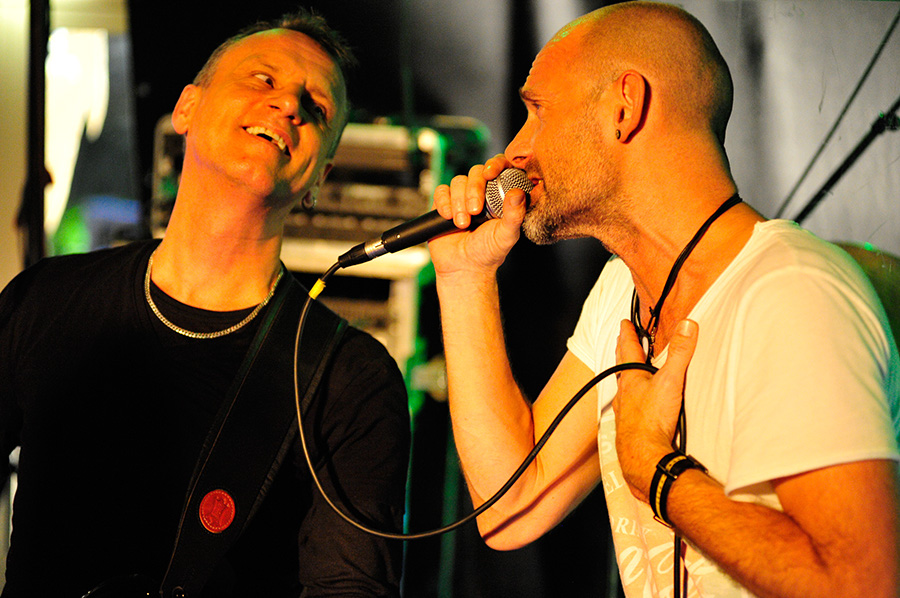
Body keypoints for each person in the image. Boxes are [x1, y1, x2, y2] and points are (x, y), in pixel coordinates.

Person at [427, 2, 900, 597]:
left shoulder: (790, 291)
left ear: (625, 106)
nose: (516, 150)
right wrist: (465, 277)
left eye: (538, 111)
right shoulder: (621, 291)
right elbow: (510, 507)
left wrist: (656, 469)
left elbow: (862, 583)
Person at [0, 8, 410, 597]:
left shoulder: (348, 379)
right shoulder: (49, 300)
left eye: (316, 108)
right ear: (186, 108)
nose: (288, 104)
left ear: (319, 177)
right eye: (263, 79)